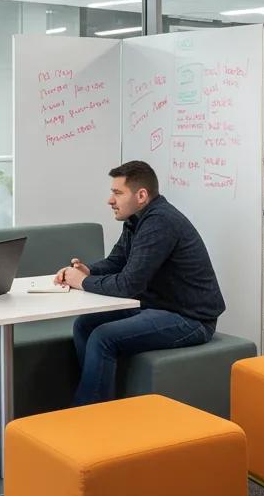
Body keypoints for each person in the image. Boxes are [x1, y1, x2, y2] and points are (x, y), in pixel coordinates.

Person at [56, 160, 224, 405]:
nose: (110, 200)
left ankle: (90, 414)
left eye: (117, 193)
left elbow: (128, 285)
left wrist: (83, 282)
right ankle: (99, 400)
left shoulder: (160, 222)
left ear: (142, 195)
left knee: (103, 336)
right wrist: (87, 270)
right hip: (157, 306)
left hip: (191, 319)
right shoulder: (136, 220)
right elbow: (117, 261)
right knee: (84, 325)